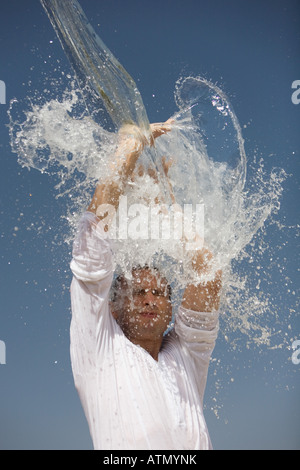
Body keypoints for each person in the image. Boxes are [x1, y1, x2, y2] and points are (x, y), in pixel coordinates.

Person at [69, 120, 222, 450]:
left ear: (171, 308)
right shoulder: (99, 345)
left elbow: (208, 273)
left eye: (160, 293)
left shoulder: (186, 356)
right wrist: (128, 147)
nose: (150, 300)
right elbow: (92, 245)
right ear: (113, 307)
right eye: (139, 292)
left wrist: (167, 209)